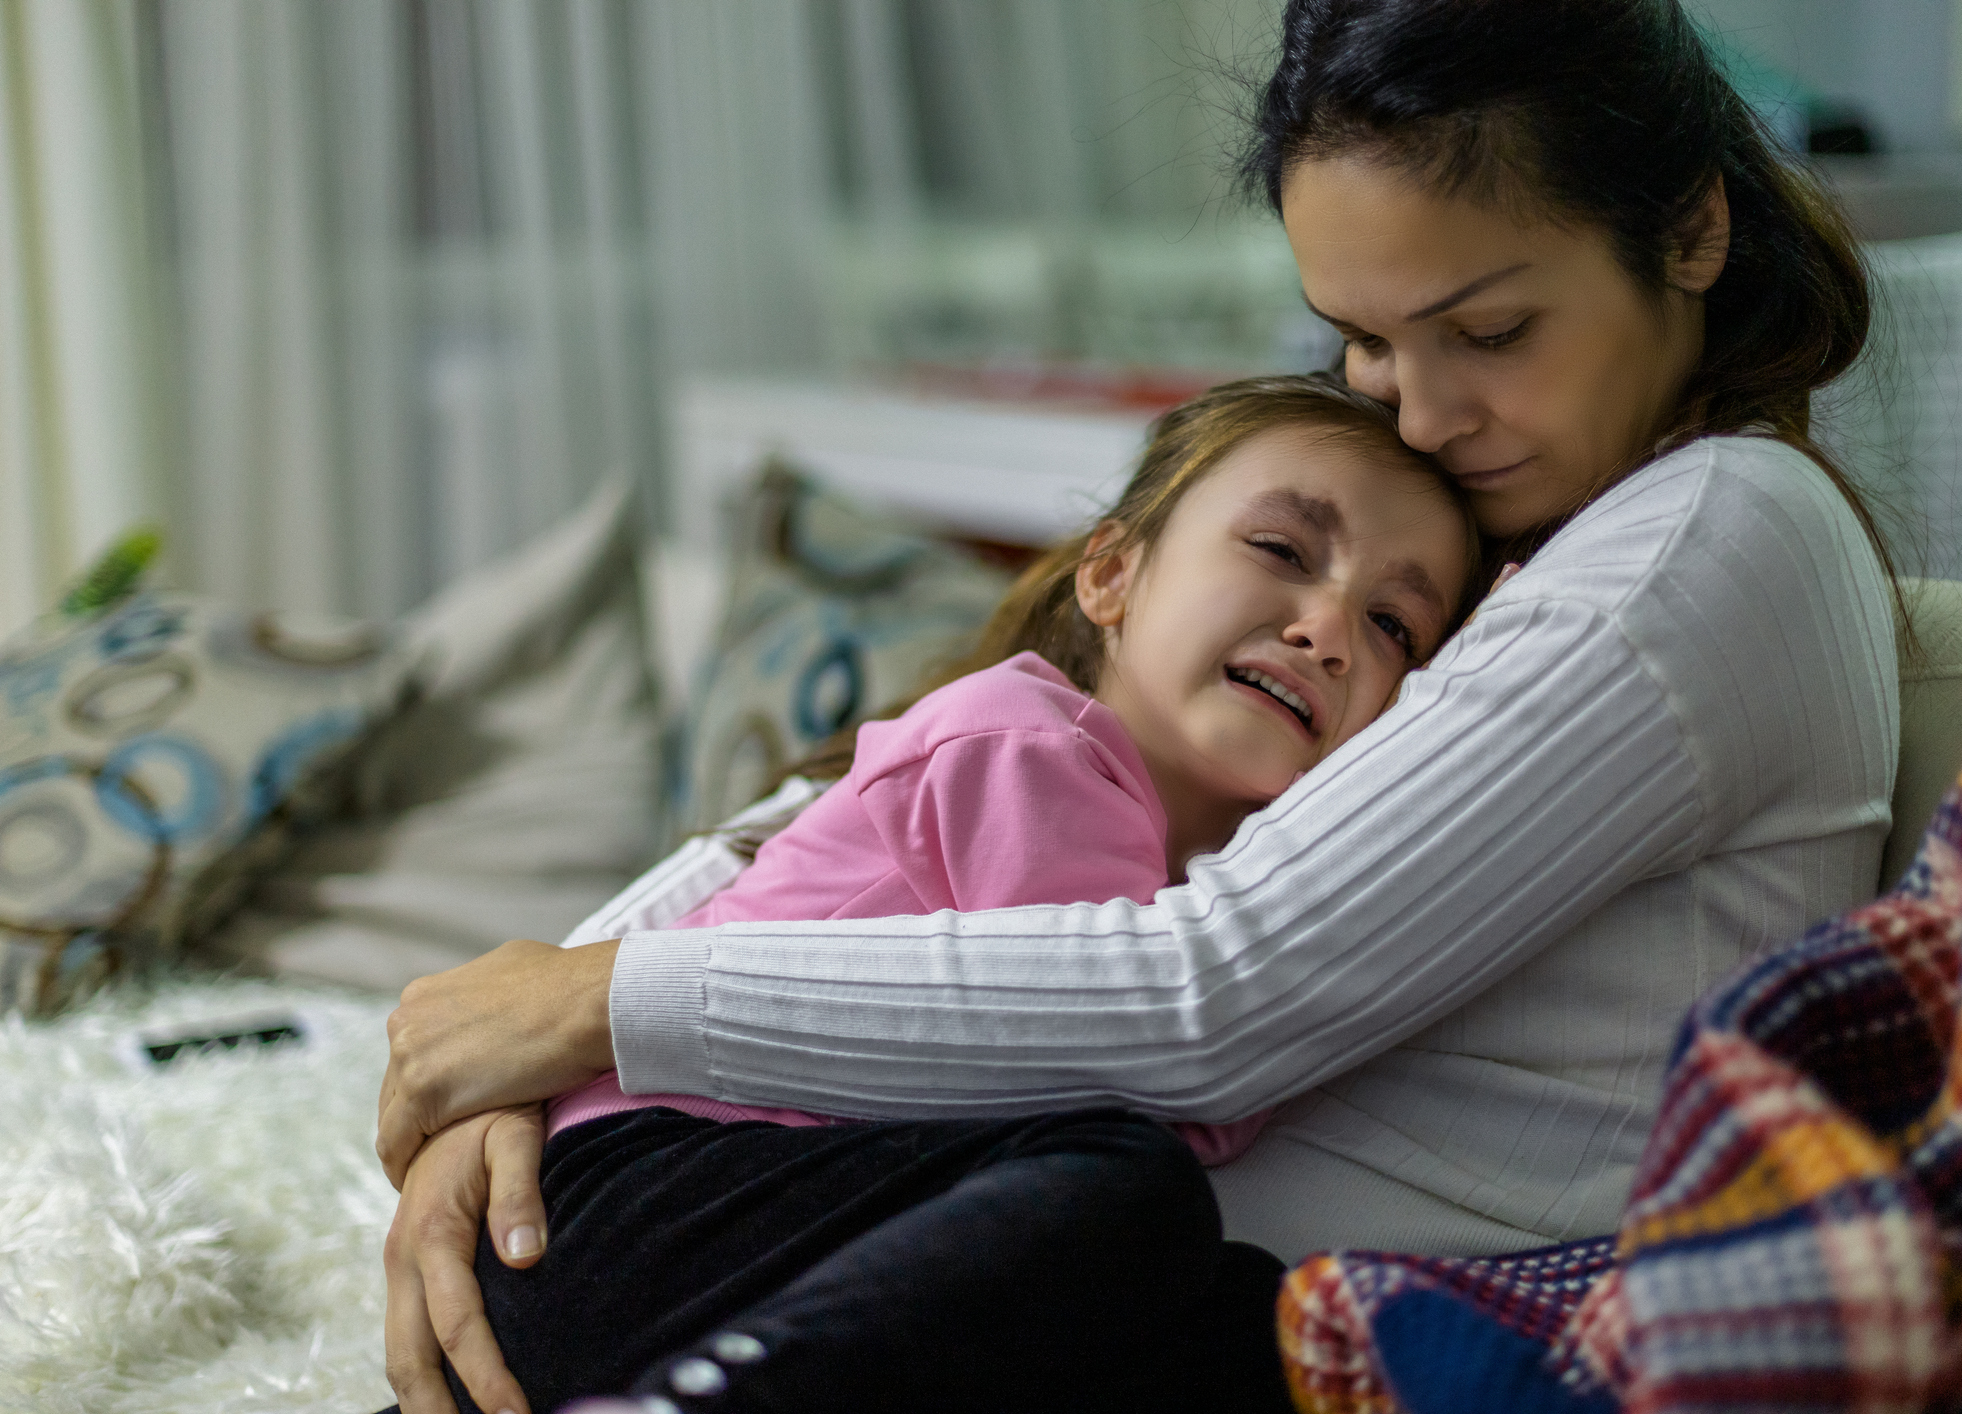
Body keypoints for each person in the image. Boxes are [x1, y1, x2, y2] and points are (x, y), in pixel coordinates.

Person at [375, 1, 1902, 1409]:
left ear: (1691, 228)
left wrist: (602, 1008)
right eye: (1364, 340)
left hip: (1254, 1295)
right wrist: (558, 1041)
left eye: (1490, 332)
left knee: (1116, 1184)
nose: (1422, 413)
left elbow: (1214, 992)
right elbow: (849, 813)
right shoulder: (1503, 520)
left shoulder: (1711, 531)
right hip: (1003, 1252)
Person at [378, 375, 1479, 1414]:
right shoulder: (1031, 746)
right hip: (619, 1208)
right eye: (1282, 549)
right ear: (1112, 575)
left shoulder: (1192, 871)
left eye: (1395, 626)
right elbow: (1150, 1066)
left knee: (1245, 1317)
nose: (1327, 629)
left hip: (742, 1249)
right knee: (1130, 1186)